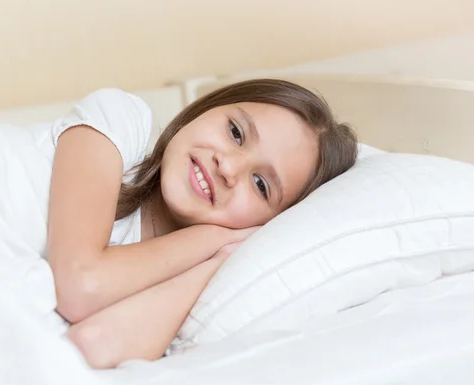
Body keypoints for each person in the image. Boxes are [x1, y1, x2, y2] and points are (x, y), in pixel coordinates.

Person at [46, 79, 358, 369]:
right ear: (208, 108)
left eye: (261, 185)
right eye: (236, 133)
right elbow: (80, 286)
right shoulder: (119, 120)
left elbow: (93, 346)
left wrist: (223, 258)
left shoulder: (195, 279)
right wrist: (211, 238)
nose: (228, 166)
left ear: (270, 224)